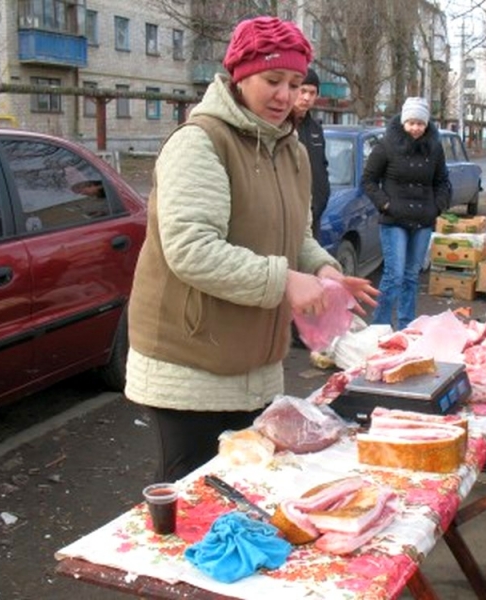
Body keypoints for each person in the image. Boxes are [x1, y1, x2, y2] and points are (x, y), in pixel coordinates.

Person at [125, 16, 378, 482]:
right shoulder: (200, 142)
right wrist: (285, 280)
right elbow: (192, 249)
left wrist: (322, 270)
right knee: (194, 499)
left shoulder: (291, 150)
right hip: (190, 361)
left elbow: (295, 235)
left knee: (249, 487)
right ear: (240, 77)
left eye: (295, 82)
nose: (285, 95)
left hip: (256, 359)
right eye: (272, 80)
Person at [362, 96, 450, 330]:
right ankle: (379, 327)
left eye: (420, 123)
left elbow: (442, 181)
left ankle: (406, 326)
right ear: (403, 122)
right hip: (394, 221)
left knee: (412, 275)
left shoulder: (434, 147)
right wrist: (386, 205)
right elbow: (369, 181)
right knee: (394, 275)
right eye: (411, 123)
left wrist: (437, 207)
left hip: (423, 220)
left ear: (426, 124)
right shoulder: (386, 145)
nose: (415, 128)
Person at [293, 68, 330, 241]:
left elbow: (322, 166)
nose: (307, 98)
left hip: (315, 214)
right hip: (293, 215)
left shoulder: (315, 128)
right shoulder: (282, 125)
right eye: (303, 91)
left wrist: (322, 198)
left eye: (312, 93)